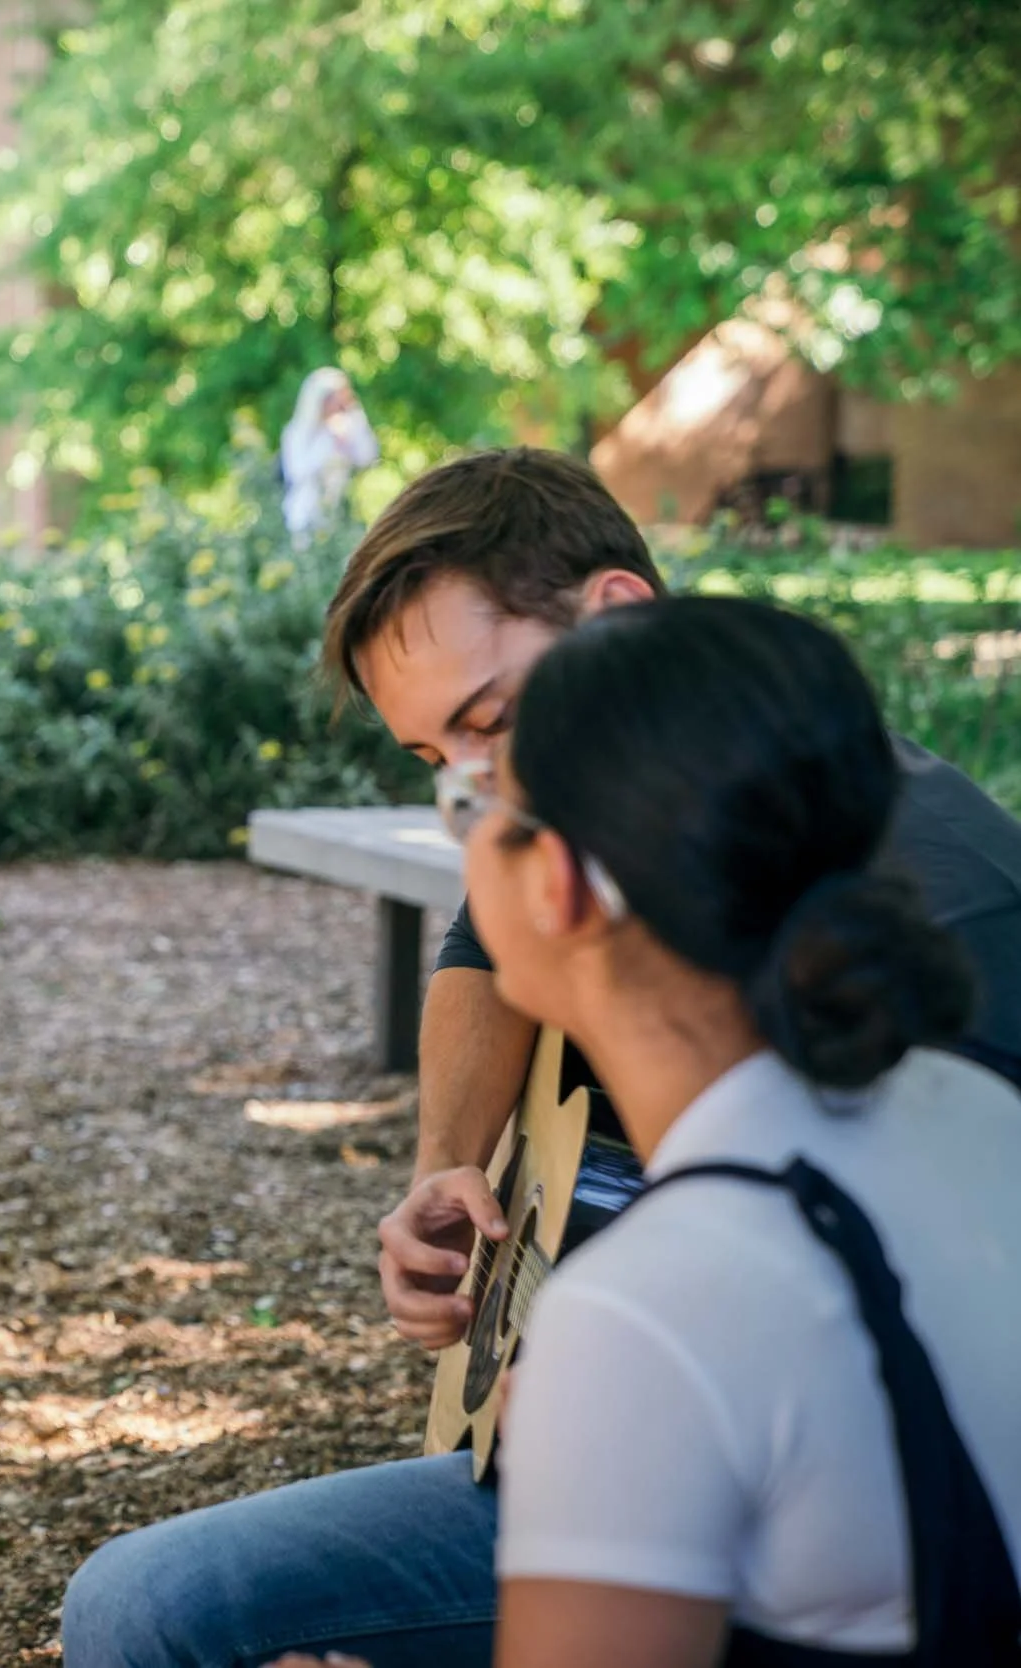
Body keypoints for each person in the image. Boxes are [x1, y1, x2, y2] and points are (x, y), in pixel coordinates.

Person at [61, 447, 1021, 1667]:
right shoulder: (738, 865)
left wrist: (623, 1415)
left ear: (558, 886)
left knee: (145, 1613)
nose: (473, 809)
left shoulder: (674, 1301)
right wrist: (447, 1167)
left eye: (491, 738)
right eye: (439, 770)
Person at [273, 597, 1021, 1666]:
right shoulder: (972, 1112)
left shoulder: (650, 1311)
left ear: (557, 887)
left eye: (477, 804)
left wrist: (611, 1394)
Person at [279, 367, 379, 544]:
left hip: (343, 512)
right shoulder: (296, 432)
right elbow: (297, 472)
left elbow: (368, 457)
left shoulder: (347, 427)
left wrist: (355, 421)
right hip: (306, 515)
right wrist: (329, 446)